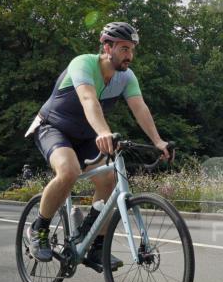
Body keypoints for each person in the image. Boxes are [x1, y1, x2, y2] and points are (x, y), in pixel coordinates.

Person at [24, 21, 171, 269]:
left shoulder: (126, 77)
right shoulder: (83, 63)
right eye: (124, 49)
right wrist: (103, 131)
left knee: (109, 181)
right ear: (106, 47)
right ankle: (39, 228)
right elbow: (87, 98)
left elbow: (139, 107)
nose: (130, 56)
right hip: (53, 127)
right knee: (69, 171)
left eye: (132, 49)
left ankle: (96, 245)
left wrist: (158, 141)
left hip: (85, 136)